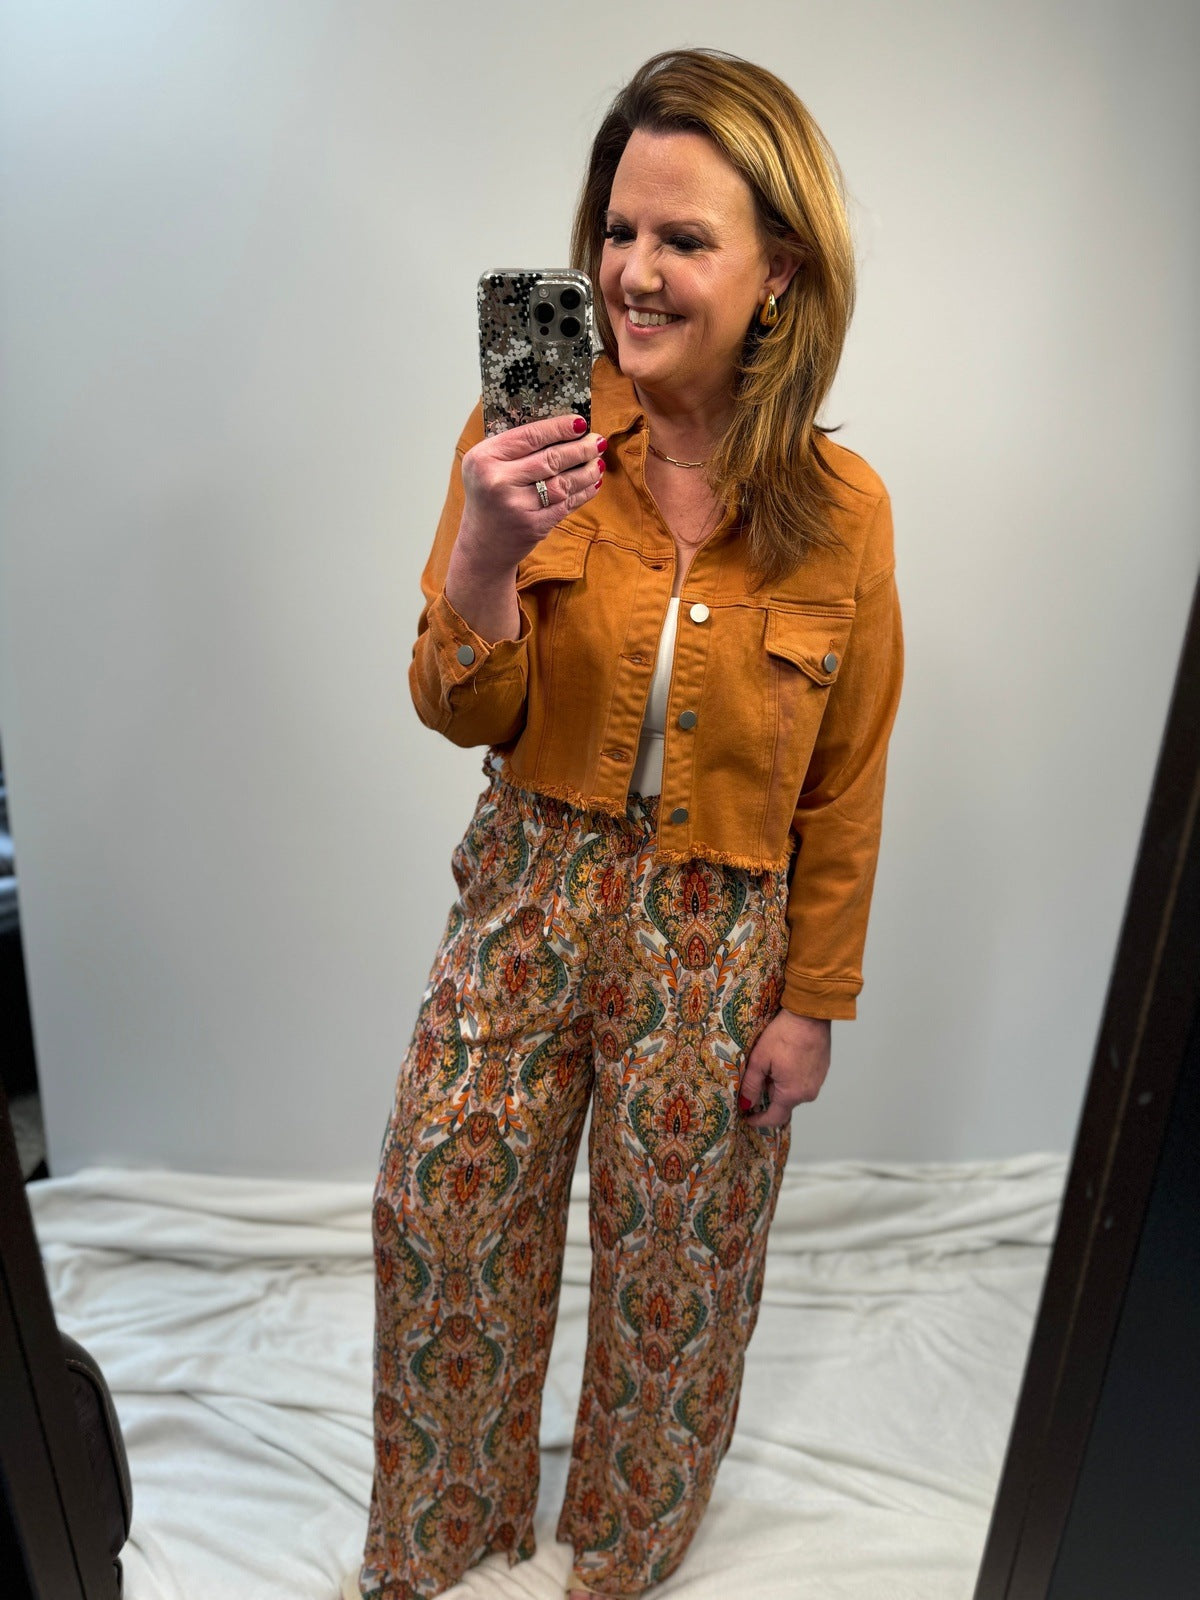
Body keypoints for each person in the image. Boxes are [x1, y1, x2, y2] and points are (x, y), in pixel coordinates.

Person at [346, 45, 903, 1600]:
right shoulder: (530, 429)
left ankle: (623, 1545)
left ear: (778, 270)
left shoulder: (842, 511)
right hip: (531, 880)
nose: (632, 271)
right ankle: (441, 1537)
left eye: (683, 238)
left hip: (720, 933)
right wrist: (480, 550)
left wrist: (813, 1001)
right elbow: (457, 706)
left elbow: (848, 776)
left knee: (680, 1268)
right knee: (441, 1200)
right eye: (617, 228)